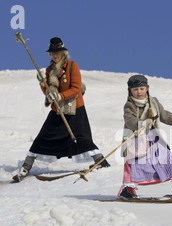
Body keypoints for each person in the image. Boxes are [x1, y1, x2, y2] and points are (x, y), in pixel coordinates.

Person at [13, 37, 109, 182]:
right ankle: (27, 166)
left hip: (75, 109)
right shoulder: (49, 70)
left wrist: (60, 96)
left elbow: (76, 89)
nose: (55, 55)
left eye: (58, 52)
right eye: (52, 53)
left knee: (81, 138)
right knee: (42, 137)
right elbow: (48, 93)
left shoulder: (72, 66)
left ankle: (101, 161)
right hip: (58, 110)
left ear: (63, 52)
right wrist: (42, 83)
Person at [119, 74, 172, 199]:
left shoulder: (153, 102)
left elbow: (164, 115)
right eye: (135, 89)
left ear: (147, 88)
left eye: (142, 88)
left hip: (153, 137)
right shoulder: (129, 105)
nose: (139, 92)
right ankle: (128, 188)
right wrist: (141, 123)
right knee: (135, 163)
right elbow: (129, 120)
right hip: (136, 138)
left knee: (168, 158)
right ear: (130, 91)